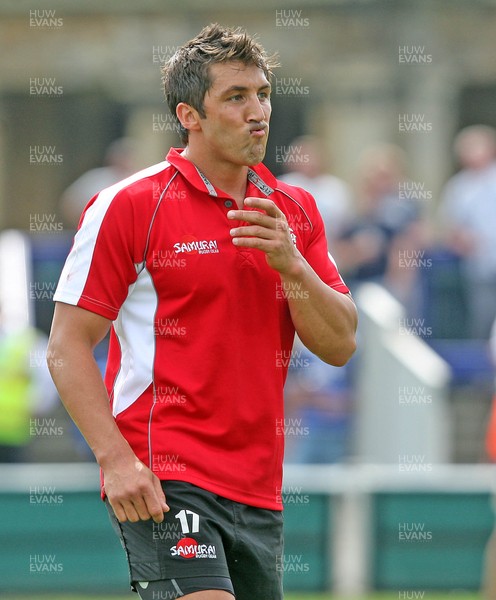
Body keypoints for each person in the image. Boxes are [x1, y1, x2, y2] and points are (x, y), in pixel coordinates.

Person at [47, 24, 357, 600]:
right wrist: (116, 460)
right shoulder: (130, 204)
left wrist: (292, 265)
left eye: (262, 93)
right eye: (235, 97)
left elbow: (340, 344)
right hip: (166, 473)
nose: (257, 111)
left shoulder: (295, 209)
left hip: (260, 487)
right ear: (190, 114)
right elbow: (66, 344)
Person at [439, 125, 496, 339]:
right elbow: (451, 228)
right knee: (483, 319)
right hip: (479, 268)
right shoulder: (458, 187)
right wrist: (462, 240)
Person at [278, 135, 354, 248]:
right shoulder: (284, 184)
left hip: (331, 248)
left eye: (314, 156)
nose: (310, 162)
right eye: (305, 156)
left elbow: (347, 226)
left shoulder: (336, 187)